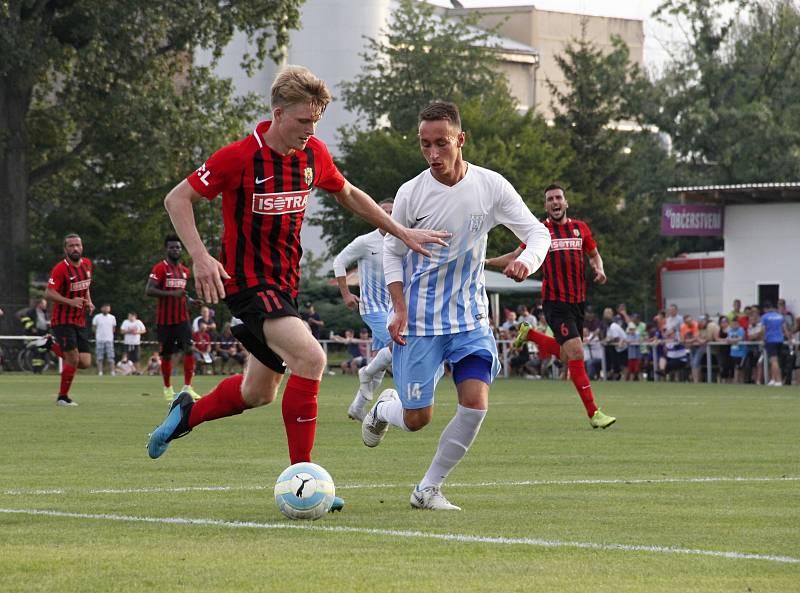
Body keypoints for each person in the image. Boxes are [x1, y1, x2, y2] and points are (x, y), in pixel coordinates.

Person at [146, 66, 448, 517]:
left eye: (316, 122)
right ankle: (305, 480)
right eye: (304, 121)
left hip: (285, 285)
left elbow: (348, 193)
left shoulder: (313, 155)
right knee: (312, 358)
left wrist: (399, 230)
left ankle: (186, 414)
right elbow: (177, 198)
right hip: (248, 284)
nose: (311, 130)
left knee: (258, 392)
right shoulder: (240, 156)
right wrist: (202, 256)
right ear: (278, 113)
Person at [360, 100, 550, 510]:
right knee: (417, 419)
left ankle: (427, 489)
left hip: (470, 320)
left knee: (475, 403)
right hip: (420, 324)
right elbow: (392, 253)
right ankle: (386, 407)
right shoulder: (411, 193)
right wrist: (399, 307)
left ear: (460, 140)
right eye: (425, 145)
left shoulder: (490, 186)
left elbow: (538, 233)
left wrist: (525, 261)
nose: (433, 154)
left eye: (441, 144)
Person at [487, 184, 615, 427]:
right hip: (556, 303)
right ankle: (594, 414)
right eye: (550, 199)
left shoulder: (581, 228)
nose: (555, 202)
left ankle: (530, 334)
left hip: (578, 302)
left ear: (565, 203)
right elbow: (515, 256)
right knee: (577, 353)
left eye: (558, 198)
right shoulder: (540, 231)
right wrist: (484, 261)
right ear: (545, 206)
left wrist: (599, 268)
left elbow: (594, 254)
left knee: (569, 359)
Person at [331, 199, 396, 420]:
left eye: (392, 211)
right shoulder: (365, 241)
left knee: (382, 360)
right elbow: (339, 262)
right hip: (372, 308)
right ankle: (365, 372)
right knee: (399, 347)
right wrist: (346, 294)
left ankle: (357, 407)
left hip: (394, 309)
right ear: (376, 213)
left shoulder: (402, 239)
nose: (388, 214)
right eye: (383, 211)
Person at [146, 234, 201, 401]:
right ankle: (168, 388)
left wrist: (191, 301)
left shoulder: (184, 271)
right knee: (167, 355)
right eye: (172, 247)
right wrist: (172, 293)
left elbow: (181, 294)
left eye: (178, 247)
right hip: (164, 320)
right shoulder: (160, 268)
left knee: (189, 349)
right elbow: (149, 290)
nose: (175, 250)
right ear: (166, 249)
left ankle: (187, 387)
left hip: (182, 318)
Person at [45, 233, 95, 406]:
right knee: (72, 359)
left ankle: (50, 345)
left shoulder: (87, 264)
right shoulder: (60, 268)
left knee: (85, 363)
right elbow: (49, 293)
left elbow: (86, 286)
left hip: (79, 320)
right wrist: (70, 301)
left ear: (82, 247)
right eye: (71, 246)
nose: (75, 248)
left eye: (78, 245)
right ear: (65, 249)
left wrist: (88, 301)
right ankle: (62, 397)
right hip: (62, 320)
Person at [16, 298, 51, 374]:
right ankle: (36, 370)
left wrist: (48, 326)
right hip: (32, 335)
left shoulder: (45, 313)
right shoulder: (31, 312)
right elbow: (25, 320)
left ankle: (40, 369)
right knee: (36, 351)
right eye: (44, 304)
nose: (45, 306)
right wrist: (32, 328)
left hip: (42, 334)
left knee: (42, 351)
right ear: (39, 304)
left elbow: (46, 322)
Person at [761, 301, 789, 386]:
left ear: (765, 309)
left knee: (774, 361)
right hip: (780, 340)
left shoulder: (764, 317)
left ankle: (779, 380)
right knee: (775, 361)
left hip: (770, 340)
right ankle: (773, 379)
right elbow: (785, 328)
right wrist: (789, 338)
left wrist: (763, 339)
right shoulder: (780, 316)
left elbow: (763, 329)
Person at [92, 304, 117, 376]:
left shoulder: (112, 317)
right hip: (100, 339)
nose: (106, 309)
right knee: (99, 356)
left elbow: (113, 328)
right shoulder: (97, 317)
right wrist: (98, 334)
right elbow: (94, 327)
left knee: (111, 356)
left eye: (107, 308)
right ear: (101, 308)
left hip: (109, 340)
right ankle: (100, 372)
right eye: (105, 308)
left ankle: (112, 371)